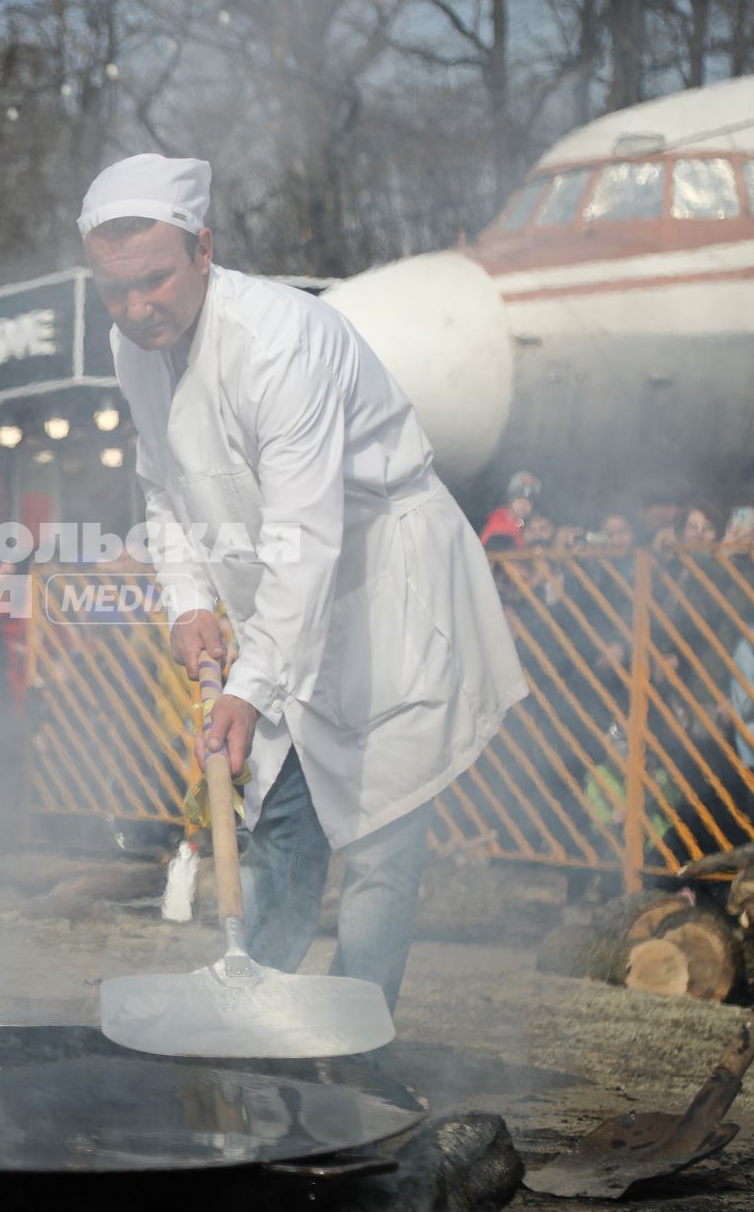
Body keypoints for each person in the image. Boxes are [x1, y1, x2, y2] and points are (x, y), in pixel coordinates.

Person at [80, 154, 526, 1012]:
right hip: (287, 603)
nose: (137, 310)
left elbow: (309, 536)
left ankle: (357, 1035)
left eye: (156, 282)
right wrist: (187, 602)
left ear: (204, 249)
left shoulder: (280, 342)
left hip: (384, 593)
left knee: (382, 837)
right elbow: (163, 485)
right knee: (282, 821)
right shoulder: (132, 347)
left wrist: (248, 684)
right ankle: (262, 1015)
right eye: (114, 291)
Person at [479, 470, 539, 551]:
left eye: (529, 502)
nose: (524, 505)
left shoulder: (522, 521)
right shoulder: (497, 519)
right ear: (510, 501)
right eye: (519, 499)